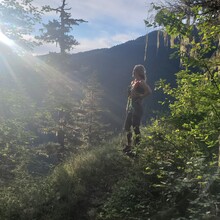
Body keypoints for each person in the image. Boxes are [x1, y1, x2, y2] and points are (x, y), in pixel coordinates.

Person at [123, 64, 152, 153]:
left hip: (137, 107)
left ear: (138, 72)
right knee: (127, 126)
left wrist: (140, 96)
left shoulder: (141, 82)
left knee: (135, 127)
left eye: (135, 70)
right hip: (132, 107)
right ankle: (129, 145)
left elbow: (149, 91)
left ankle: (138, 147)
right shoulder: (135, 81)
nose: (133, 72)